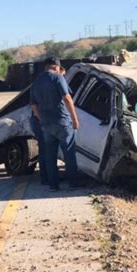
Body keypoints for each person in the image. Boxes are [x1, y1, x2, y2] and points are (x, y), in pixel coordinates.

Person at [30, 57, 79, 191]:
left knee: (50, 156)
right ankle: (73, 183)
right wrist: (75, 120)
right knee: (69, 153)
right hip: (62, 121)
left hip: (46, 124)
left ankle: (53, 185)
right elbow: (67, 98)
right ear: (56, 67)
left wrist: (42, 119)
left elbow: (33, 105)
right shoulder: (58, 78)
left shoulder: (36, 82)